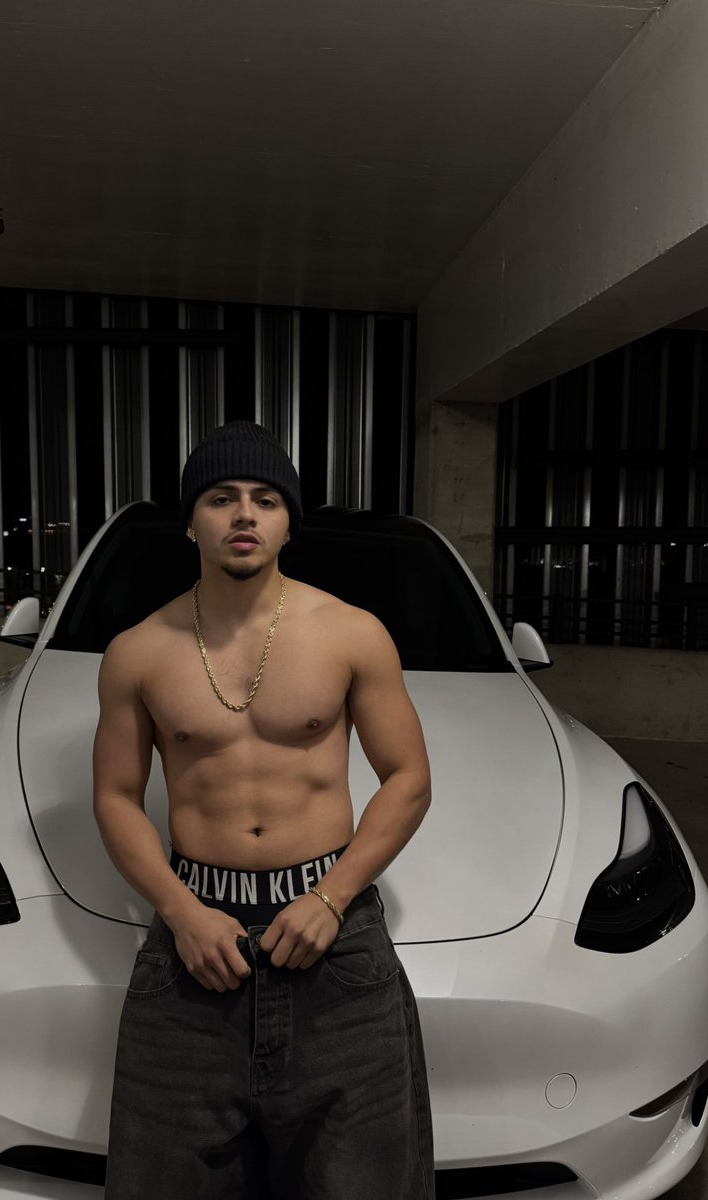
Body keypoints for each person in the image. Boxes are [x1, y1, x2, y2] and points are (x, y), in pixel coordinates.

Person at [93, 420, 434, 1199]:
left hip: (333, 941)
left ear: (287, 523)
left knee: (364, 1182)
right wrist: (180, 911)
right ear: (191, 520)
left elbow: (408, 776)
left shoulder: (352, 634)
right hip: (196, 943)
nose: (244, 514)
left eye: (265, 499)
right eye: (221, 498)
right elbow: (114, 796)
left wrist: (331, 899)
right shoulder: (137, 652)